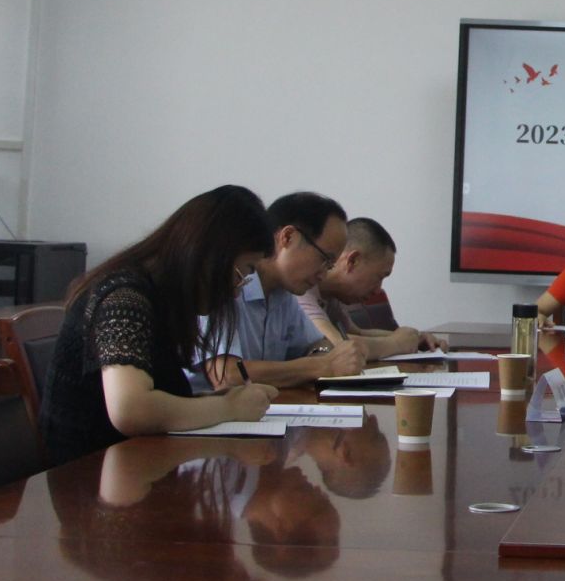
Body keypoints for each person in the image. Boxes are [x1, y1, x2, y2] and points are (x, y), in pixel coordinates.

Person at [39, 184, 280, 466]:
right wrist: (228, 407)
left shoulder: (161, 298)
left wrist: (217, 401)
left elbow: (161, 393)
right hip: (86, 475)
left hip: (130, 463)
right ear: (210, 256)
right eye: (241, 273)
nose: (237, 291)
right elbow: (131, 410)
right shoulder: (125, 296)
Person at [197, 190, 365, 388]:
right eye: (324, 259)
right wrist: (320, 366)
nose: (323, 275)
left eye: (330, 266)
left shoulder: (283, 295)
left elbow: (320, 344)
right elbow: (226, 375)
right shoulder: (229, 283)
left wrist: (321, 357)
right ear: (288, 237)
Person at [298, 216, 437, 358]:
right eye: (379, 277)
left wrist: (415, 338)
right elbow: (335, 344)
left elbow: (357, 333)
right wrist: (396, 344)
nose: (378, 290)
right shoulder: (302, 287)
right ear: (353, 261)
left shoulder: (330, 295)